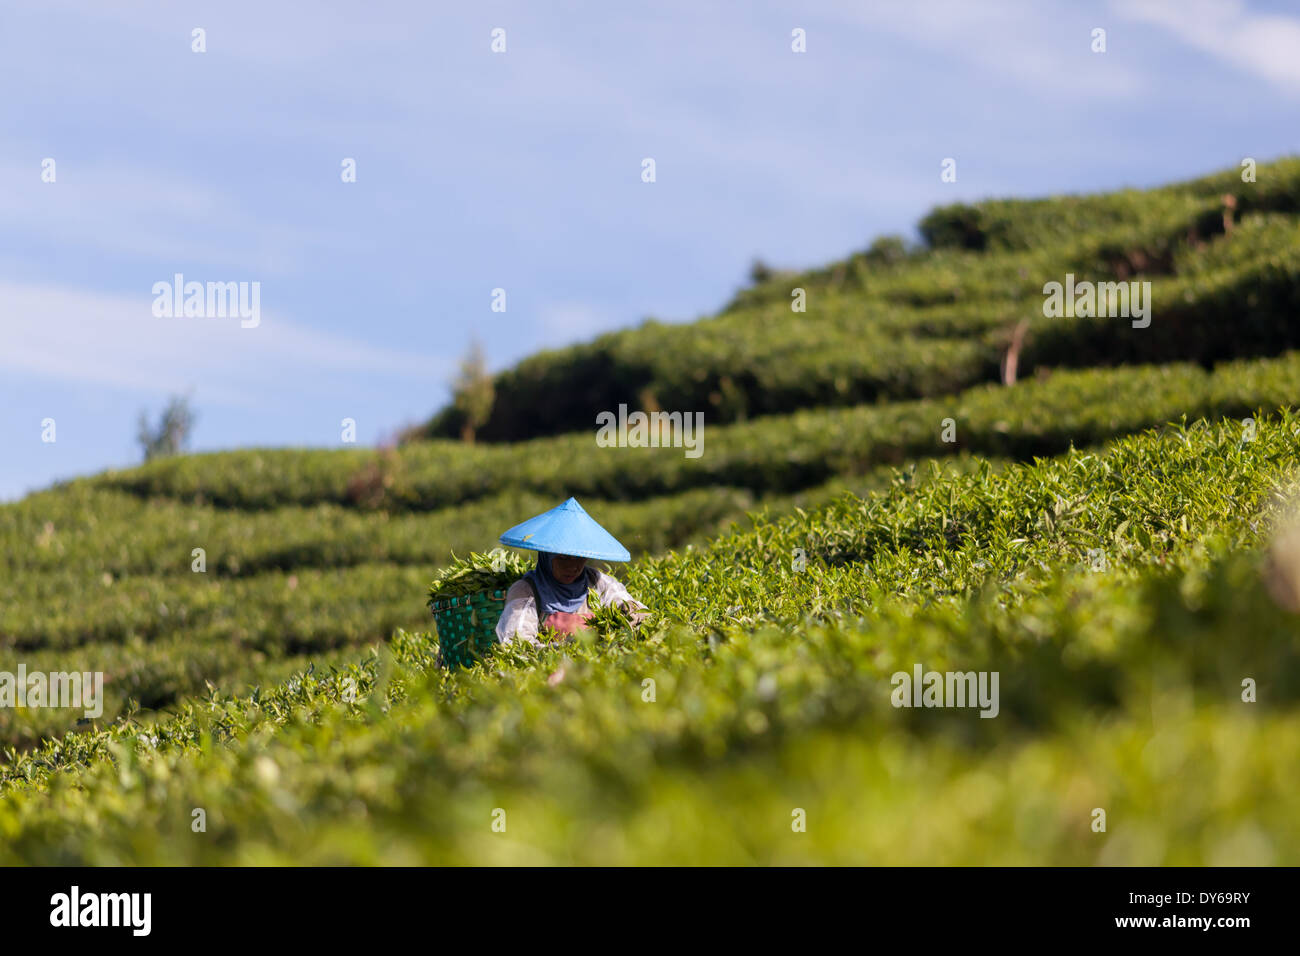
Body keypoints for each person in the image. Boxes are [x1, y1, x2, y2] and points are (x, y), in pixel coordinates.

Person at [494, 497, 646, 645]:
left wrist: (634, 615)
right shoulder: (526, 590)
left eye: (580, 558)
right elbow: (518, 643)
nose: (573, 567)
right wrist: (566, 649)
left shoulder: (596, 581)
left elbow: (625, 602)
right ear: (548, 556)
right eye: (563, 558)